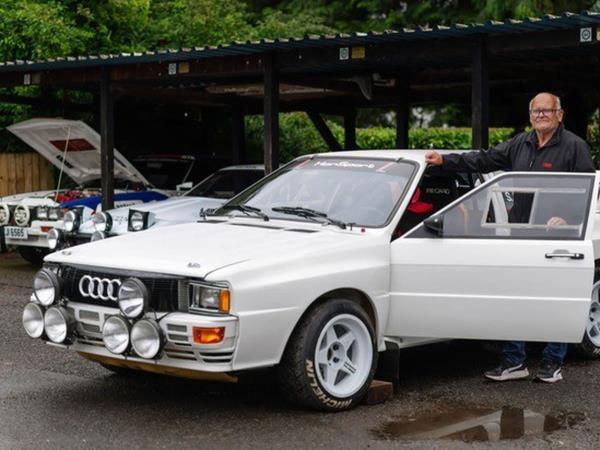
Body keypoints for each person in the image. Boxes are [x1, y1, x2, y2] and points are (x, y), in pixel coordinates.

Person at [424, 92, 595, 383]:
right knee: (517, 296)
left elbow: (587, 190)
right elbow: (483, 159)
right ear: (530, 115)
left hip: (558, 236)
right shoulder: (520, 143)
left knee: (554, 300)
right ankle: (514, 362)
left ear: (560, 114)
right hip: (521, 234)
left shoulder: (574, 146)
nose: (541, 115)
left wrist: (567, 218)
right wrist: (444, 160)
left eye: (547, 111)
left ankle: (552, 363)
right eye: (536, 111)